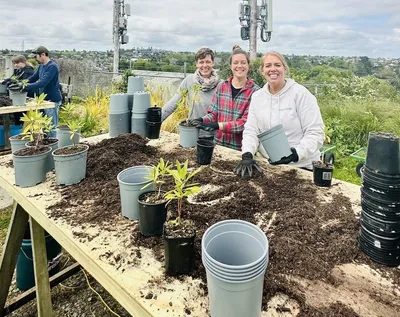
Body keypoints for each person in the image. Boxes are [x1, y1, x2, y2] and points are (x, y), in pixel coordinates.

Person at [234, 51, 325, 177]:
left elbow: (315, 133)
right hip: (269, 166)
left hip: (301, 167)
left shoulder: (301, 94)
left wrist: (296, 153)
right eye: (268, 66)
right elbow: (251, 130)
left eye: (277, 65)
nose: (272, 69)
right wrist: (247, 154)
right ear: (262, 71)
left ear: (284, 69)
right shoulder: (257, 97)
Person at [190, 45, 259, 151]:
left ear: (248, 65)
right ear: (231, 66)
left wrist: (218, 125)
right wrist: (201, 120)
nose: (239, 66)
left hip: (240, 149)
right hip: (218, 146)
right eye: (235, 63)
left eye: (243, 62)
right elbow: (214, 114)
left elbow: (245, 124)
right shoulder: (222, 86)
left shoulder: (255, 92)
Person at [161, 47, 221, 139]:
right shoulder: (189, 80)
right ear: (196, 64)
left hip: (213, 137)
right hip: (192, 132)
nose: (205, 65)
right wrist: (157, 119)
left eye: (208, 62)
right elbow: (174, 102)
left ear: (212, 63)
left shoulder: (221, 84)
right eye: (201, 62)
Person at [9, 46, 62, 136]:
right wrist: (21, 83)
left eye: (35, 56)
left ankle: (53, 146)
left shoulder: (52, 67)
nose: (34, 59)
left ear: (43, 55)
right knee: (45, 126)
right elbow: (33, 78)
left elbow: (42, 83)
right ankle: (47, 144)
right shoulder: (41, 66)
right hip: (43, 99)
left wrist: (25, 87)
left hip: (52, 100)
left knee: (51, 127)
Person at [1, 55, 36, 124]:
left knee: (24, 116)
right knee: (17, 115)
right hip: (17, 95)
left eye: (17, 63)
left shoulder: (29, 71)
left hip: (26, 95)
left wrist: (14, 82)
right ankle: (18, 128)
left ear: (23, 62)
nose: (15, 65)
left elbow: (25, 82)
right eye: (14, 63)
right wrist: (7, 81)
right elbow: (13, 78)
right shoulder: (18, 70)